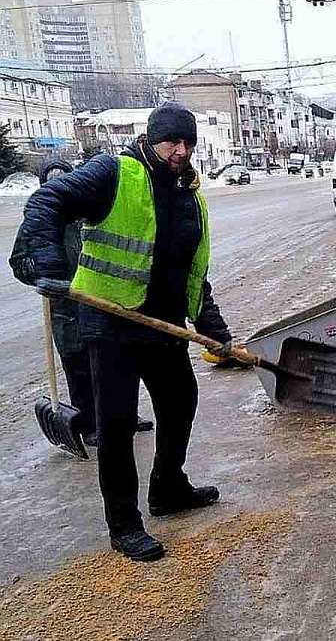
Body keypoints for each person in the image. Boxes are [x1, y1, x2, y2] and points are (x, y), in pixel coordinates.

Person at [11, 102, 233, 561]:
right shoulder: (113, 172)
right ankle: (124, 525)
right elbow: (46, 202)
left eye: (188, 142)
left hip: (163, 323)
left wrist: (214, 329)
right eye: (173, 140)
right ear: (152, 138)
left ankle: (168, 488)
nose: (181, 150)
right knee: (115, 424)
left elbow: (191, 272)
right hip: (112, 322)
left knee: (180, 403)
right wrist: (50, 263)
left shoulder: (188, 193)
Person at [10, 160, 155, 448]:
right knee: (78, 367)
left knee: (113, 364)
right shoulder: (41, 223)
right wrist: (42, 273)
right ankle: (90, 423)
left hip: (97, 298)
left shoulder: (91, 212)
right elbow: (18, 263)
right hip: (65, 308)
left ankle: (124, 416)